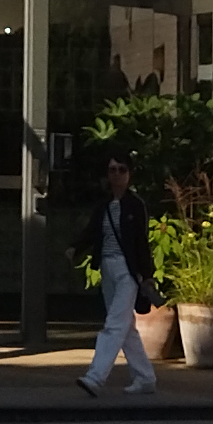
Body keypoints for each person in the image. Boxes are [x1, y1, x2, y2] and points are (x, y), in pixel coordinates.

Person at [72, 157, 159, 397]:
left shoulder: (135, 205)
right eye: (112, 170)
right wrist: (75, 248)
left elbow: (141, 241)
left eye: (122, 170)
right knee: (126, 327)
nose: (117, 174)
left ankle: (95, 377)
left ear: (129, 174)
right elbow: (92, 231)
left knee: (115, 324)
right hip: (107, 268)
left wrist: (147, 274)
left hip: (127, 270)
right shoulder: (104, 205)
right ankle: (145, 377)